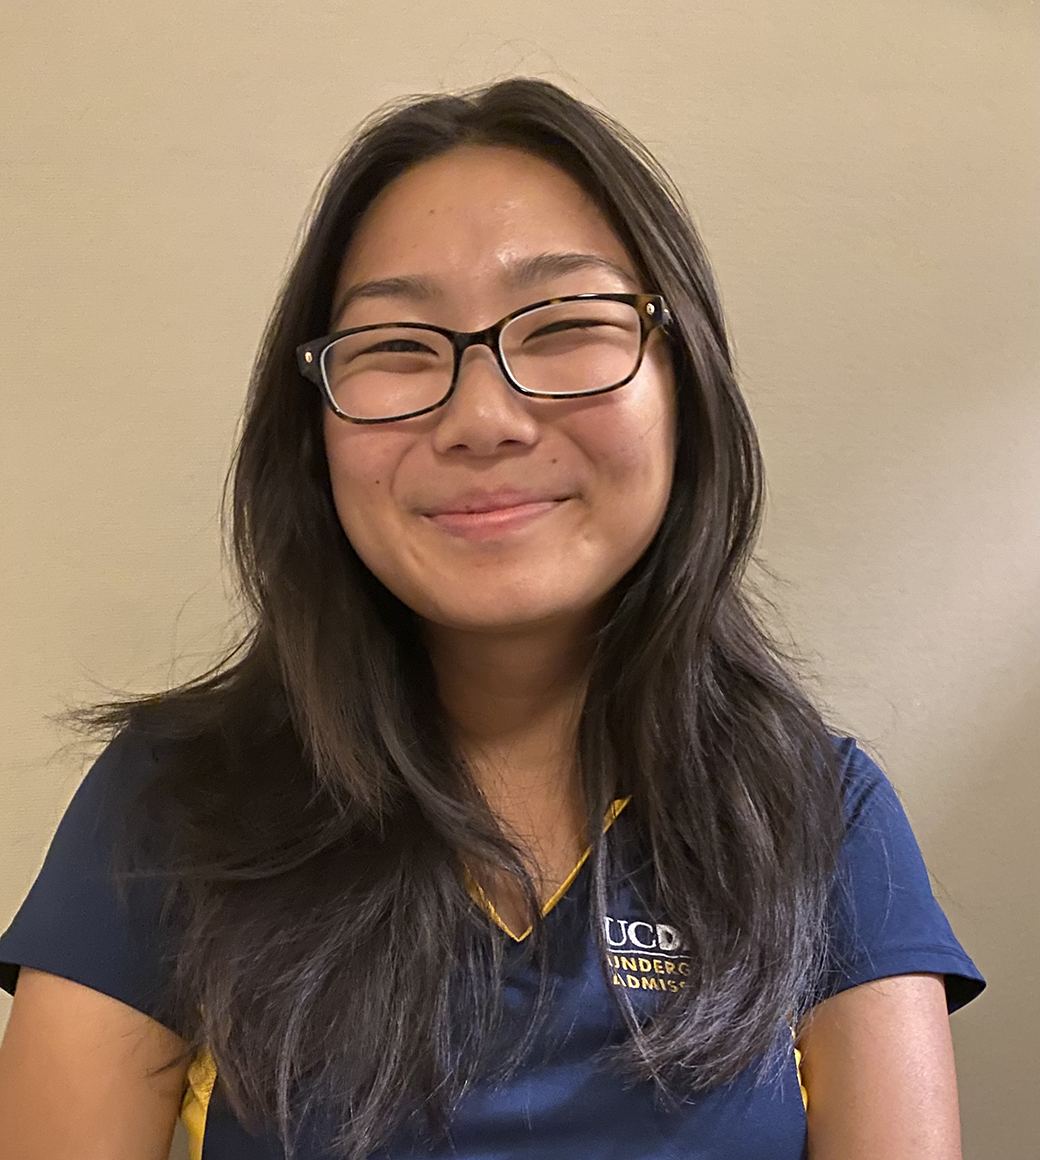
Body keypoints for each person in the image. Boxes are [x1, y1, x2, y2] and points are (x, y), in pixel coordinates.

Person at [0, 78, 983, 1160]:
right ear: (313, 428)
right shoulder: (169, 805)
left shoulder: (817, 815)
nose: (481, 417)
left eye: (565, 325)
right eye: (395, 345)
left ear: (685, 383)